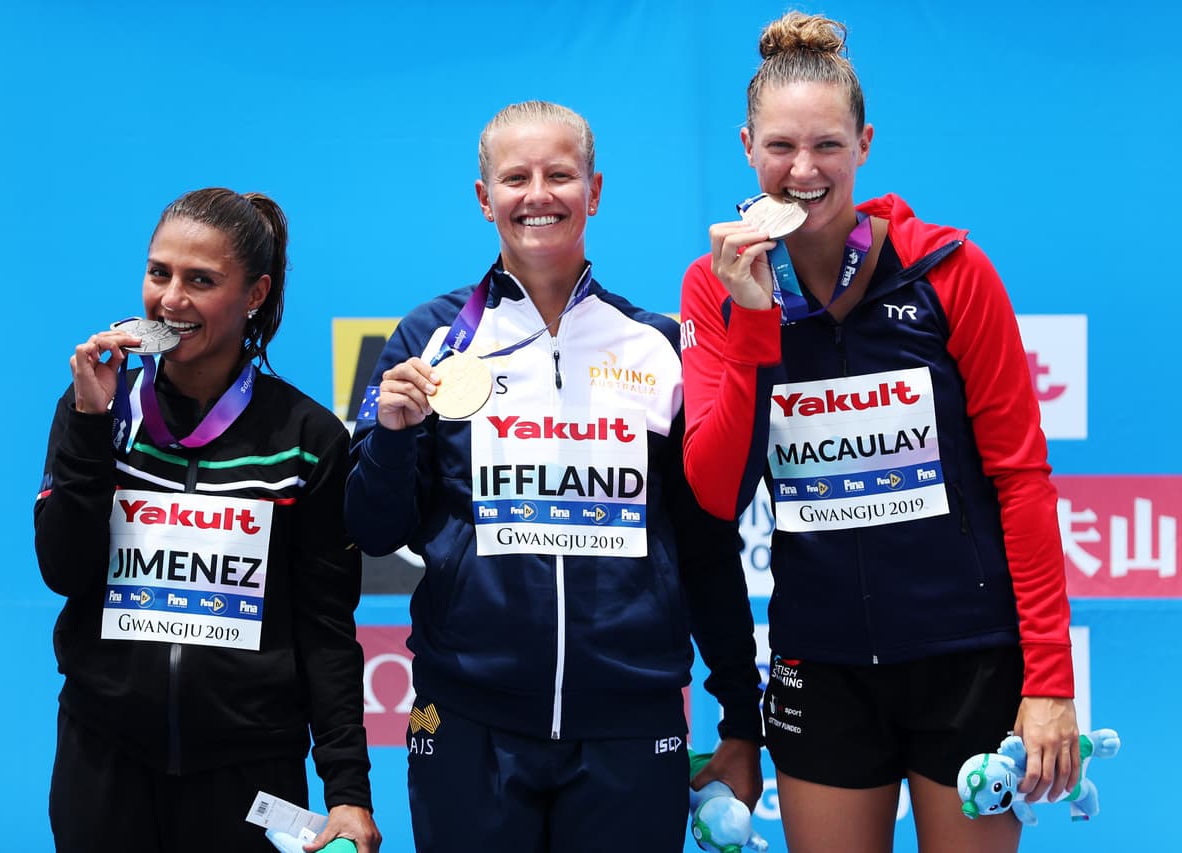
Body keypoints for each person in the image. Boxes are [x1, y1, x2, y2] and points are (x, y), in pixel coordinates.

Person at [678, 12, 1080, 853]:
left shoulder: (950, 270)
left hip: (967, 657)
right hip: (819, 663)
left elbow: (1020, 477)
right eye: (780, 146)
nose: (803, 170)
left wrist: (1049, 681)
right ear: (748, 147)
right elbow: (716, 495)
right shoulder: (716, 285)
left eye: (827, 145)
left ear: (864, 144)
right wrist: (754, 324)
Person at [345, 101, 764, 852]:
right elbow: (374, 526)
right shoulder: (427, 338)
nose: (538, 193)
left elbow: (705, 546)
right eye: (515, 177)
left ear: (594, 191)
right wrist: (394, 440)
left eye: (559, 175)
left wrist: (741, 714)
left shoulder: (656, 345)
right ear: (484, 199)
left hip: (630, 723)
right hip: (469, 721)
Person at [34, 188, 381, 853]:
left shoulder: (305, 437)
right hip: (103, 762)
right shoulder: (98, 408)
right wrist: (88, 424)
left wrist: (347, 791)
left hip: (251, 776)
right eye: (158, 272)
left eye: (201, 280)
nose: (169, 300)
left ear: (255, 294)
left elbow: (326, 628)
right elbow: (63, 569)